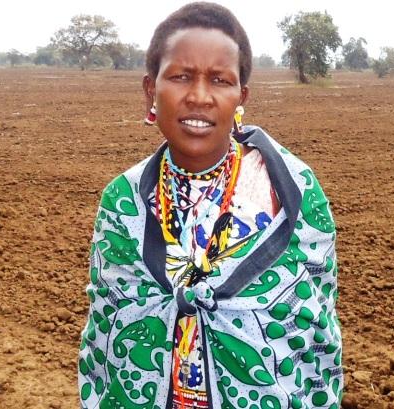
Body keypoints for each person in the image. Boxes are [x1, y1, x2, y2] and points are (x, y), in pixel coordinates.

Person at [78, 3, 342, 409]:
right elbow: (107, 332)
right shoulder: (123, 201)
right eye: (181, 76)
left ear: (241, 97)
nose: (199, 96)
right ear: (151, 91)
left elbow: (314, 333)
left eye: (220, 80)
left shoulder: (291, 194)